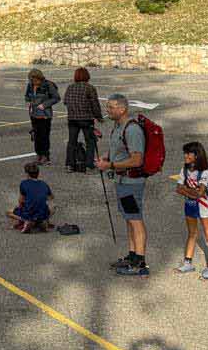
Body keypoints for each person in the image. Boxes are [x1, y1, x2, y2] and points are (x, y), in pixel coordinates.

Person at [96, 94, 149, 276]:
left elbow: (136, 160)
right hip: (122, 182)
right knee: (129, 218)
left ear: (122, 109)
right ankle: (132, 256)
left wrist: (110, 165)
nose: (108, 110)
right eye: (108, 107)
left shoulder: (132, 130)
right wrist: (107, 157)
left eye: (111, 107)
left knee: (135, 220)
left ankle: (140, 263)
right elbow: (119, 150)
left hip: (131, 183)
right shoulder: (119, 126)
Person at [176, 141, 208, 281]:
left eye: (188, 153)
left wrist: (186, 190)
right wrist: (191, 191)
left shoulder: (204, 172)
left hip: (204, 207)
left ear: (196, 155)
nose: (185, 156)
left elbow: (200, 193)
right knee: (192, 233)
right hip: (190, 205)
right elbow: (178, 188)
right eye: (185, 153)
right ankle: (188, 262)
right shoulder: (184, 169)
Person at [62, 68, 103, 173]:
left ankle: (69, 165)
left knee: (72, 142)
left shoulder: (70, 87)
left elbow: (65, 101)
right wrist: (99, 117)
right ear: (87, 76)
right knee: (90, 142)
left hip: (72, 118)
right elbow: (95, 104)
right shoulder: (90, 88)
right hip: (86, 118)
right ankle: (89, 166)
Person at [24, 69, 61, 165]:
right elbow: (27, 96)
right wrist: (29, 102)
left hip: (45, 115)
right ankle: (38, 155)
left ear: (39, 78)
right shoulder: (30, 85)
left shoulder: (48, 85)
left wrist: (44, 105)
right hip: (34, 114)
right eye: (32, 80)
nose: (34, 82)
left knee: (44, 136)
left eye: (35, 80)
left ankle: (45, 156)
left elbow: (56, 98)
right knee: (36, 136)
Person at [9, 161, 54, 232]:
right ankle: (43, 220)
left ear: (27, 174)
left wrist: (19, 207)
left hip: (29, 213)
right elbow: (51, 197)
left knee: (9, 212)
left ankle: (26, 220)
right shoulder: (44, 184)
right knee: (53, 207)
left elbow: (21, 200)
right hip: (42, 212)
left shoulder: (24, 183)